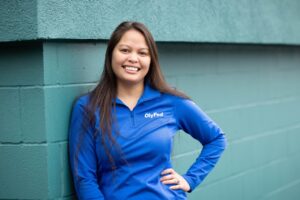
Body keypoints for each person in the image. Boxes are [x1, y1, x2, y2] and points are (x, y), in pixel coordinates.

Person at [69, 21, 227, 200]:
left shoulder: (172, 102)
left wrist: (190, 180)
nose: (133, 59)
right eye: (125, 50)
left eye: (142, 53)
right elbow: (84, 178)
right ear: (111, 54)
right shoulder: (88, 107)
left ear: (151, 60)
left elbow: (216, 139)